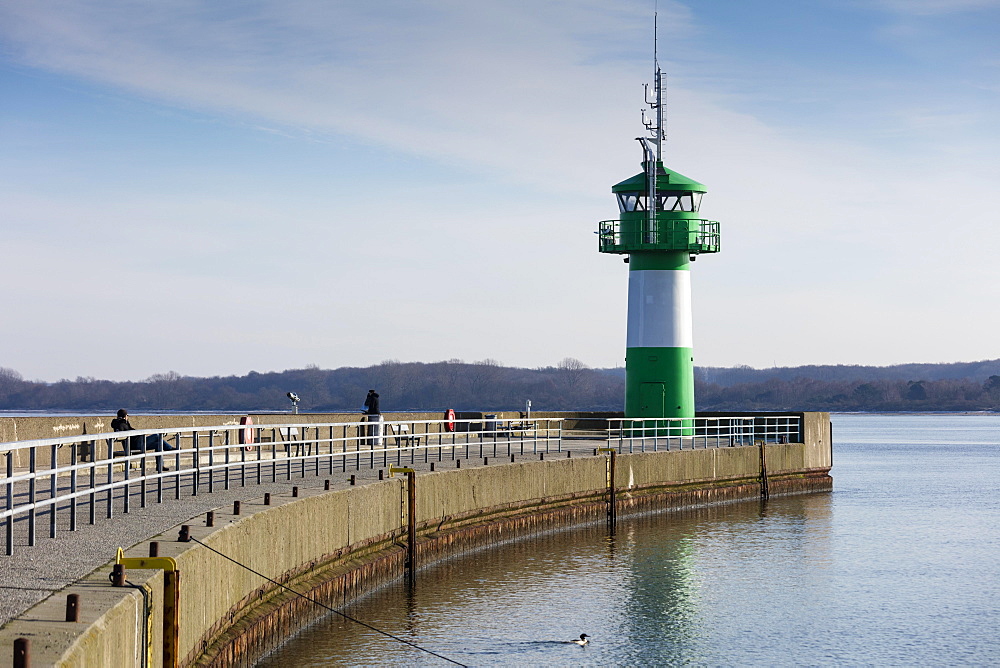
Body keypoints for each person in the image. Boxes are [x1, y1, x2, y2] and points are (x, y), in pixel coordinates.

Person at [111, 409, 176, 472]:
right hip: (136, 444)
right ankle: (169, 448)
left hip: (137, 442)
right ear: (125, 416)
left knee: (158, 444)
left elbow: (131, 431)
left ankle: (160, 466)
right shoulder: (121, 424)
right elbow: (125, 433)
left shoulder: (123, 423)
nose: (128, 417)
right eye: (127, 415)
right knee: (157, 436)